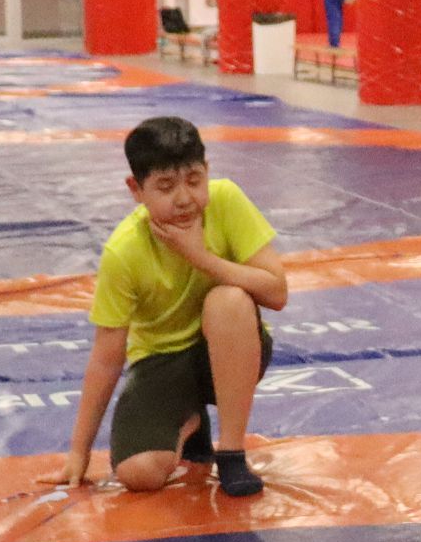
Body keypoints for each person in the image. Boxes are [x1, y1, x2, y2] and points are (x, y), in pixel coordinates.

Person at [64, 114, 289, 500]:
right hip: (161, 362)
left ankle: (231, 452)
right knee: (139, 473)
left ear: (207, 172)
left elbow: (277, 292)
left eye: (194, 180)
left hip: (229, 349)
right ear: (136, 189)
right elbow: (106, 356)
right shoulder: (124, 250)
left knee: (228, 300)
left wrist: (201, 258)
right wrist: (78, 452)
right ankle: (189, 420)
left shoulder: (227, 200)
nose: (184, 198)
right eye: (166, 187)